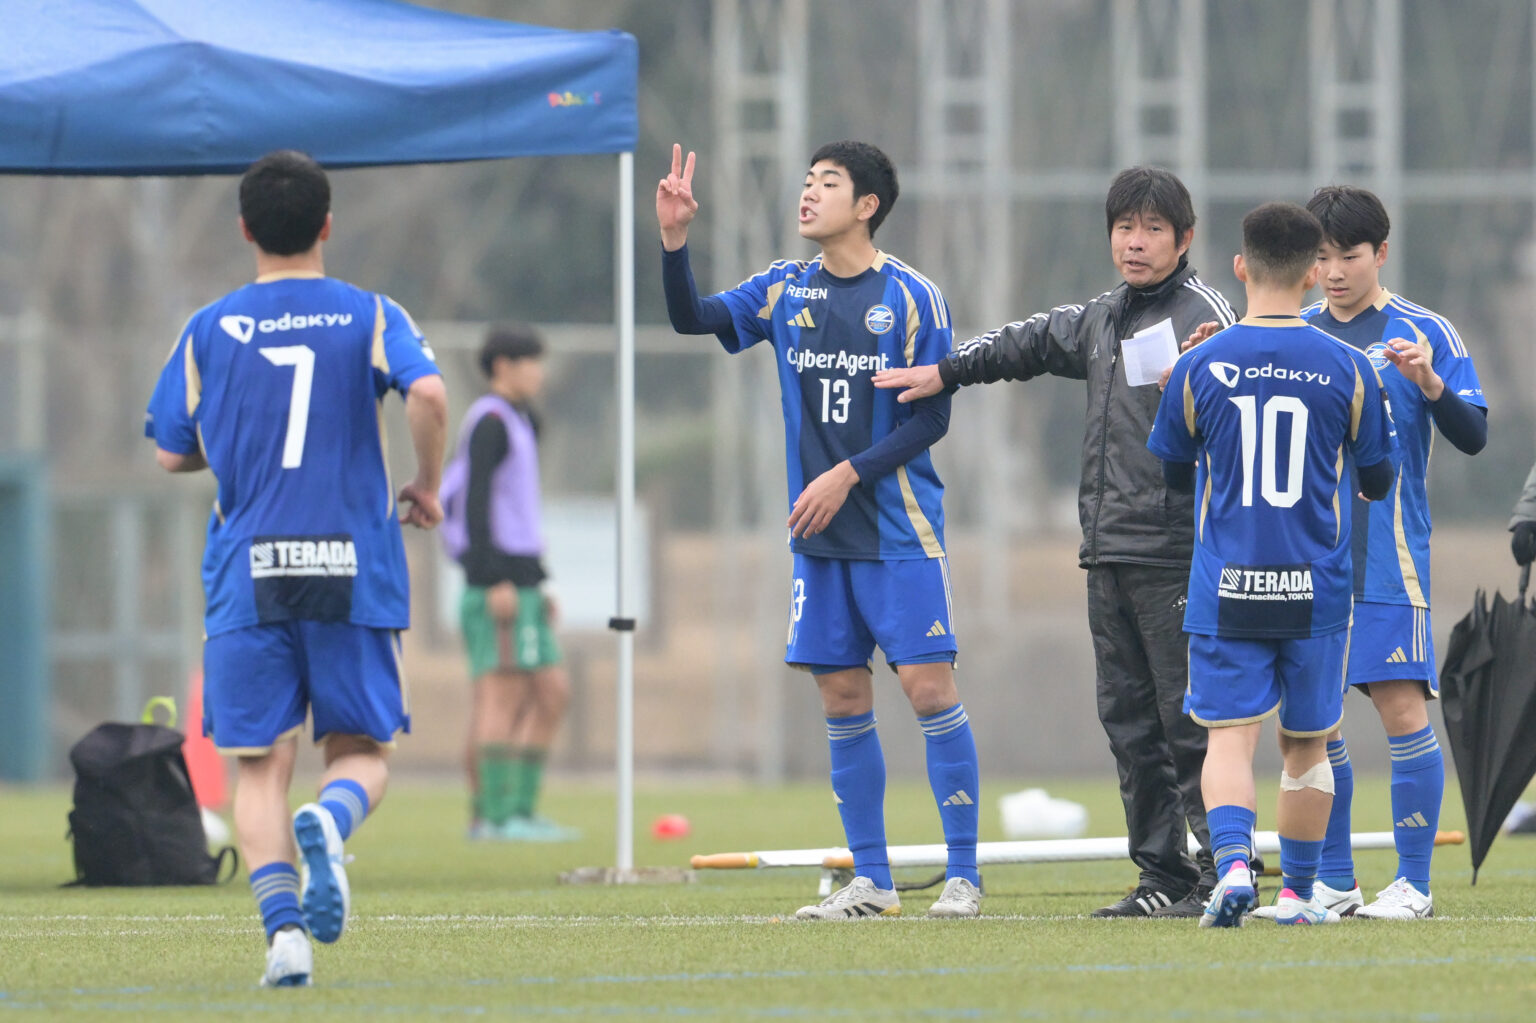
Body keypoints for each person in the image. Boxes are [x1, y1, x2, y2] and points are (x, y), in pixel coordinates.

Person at [873, 167, 1236, 918]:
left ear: (1185, 239)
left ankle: (1224, 872)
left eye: (1153, 230)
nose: (1135, 243)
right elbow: (1026, 343)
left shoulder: (1205, 318)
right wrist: (946, 371)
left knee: (1188, 722)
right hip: (1107, 552)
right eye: (1124, 228)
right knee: (1129, 723)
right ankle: (1163, 876)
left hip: (1177, 552)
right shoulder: (1102, 318)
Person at [657, 141, 982, 919]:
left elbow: (932, 417)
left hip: (898, 531)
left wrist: (847, 474)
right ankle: (872, 881)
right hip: (820, 536)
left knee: (927, 687)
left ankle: (964, 876)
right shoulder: (784, 288)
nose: (807, 194)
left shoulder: (913, 297)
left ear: (867, 205)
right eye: (806, 182)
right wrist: (674, 241)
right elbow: (691, 318)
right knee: (841, 694)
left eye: (826, 183)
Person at [144, 150, 447, 986]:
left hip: (249, 569)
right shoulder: (370, 312)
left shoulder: (208, 328)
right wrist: (426, 482)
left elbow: (171, 451)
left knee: (259, 767)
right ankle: (333, 819)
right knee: (362, 751)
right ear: (327, 225)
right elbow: (428, 394)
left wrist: (237, 442)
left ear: (245, 228)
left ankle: (284, 937)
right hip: (352, 564)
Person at [1148, 200, 1396, 926]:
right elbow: (1379, 479)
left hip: (1227, 583)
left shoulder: (1197, 365)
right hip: (1317, 588)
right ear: (1314, 273)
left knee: (1229, 736)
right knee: (1306, 744)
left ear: (1240, 267)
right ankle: (1297, 894)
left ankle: (1232, 867)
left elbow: (1174, 477)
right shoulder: (1350, 367)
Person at [1288, 186, 1486, 919]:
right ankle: (1336, 881)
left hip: (1387, 555)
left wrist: (1428, 382)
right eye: (1321, 257)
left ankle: (1414, 884)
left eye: (1349, 255)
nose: (1334, 271)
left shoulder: (1425, 330)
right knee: (1315, 722)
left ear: (1382, 253)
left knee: (1401, 707)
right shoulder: (1298, 332)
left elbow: (1474, 435)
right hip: (1307, 558)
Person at [439, 325, 576, 842]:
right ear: (501, 366)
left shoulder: (522, 420)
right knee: (500, 698)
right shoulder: (490, 422)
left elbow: (516, 510)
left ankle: (519, 809)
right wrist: (492, 577)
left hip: (523, 579)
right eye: (529, 362)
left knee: (551, 692)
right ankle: (493, 818)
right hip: (496, 581)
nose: (539, 372)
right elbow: (474, 504)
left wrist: (538, 583)